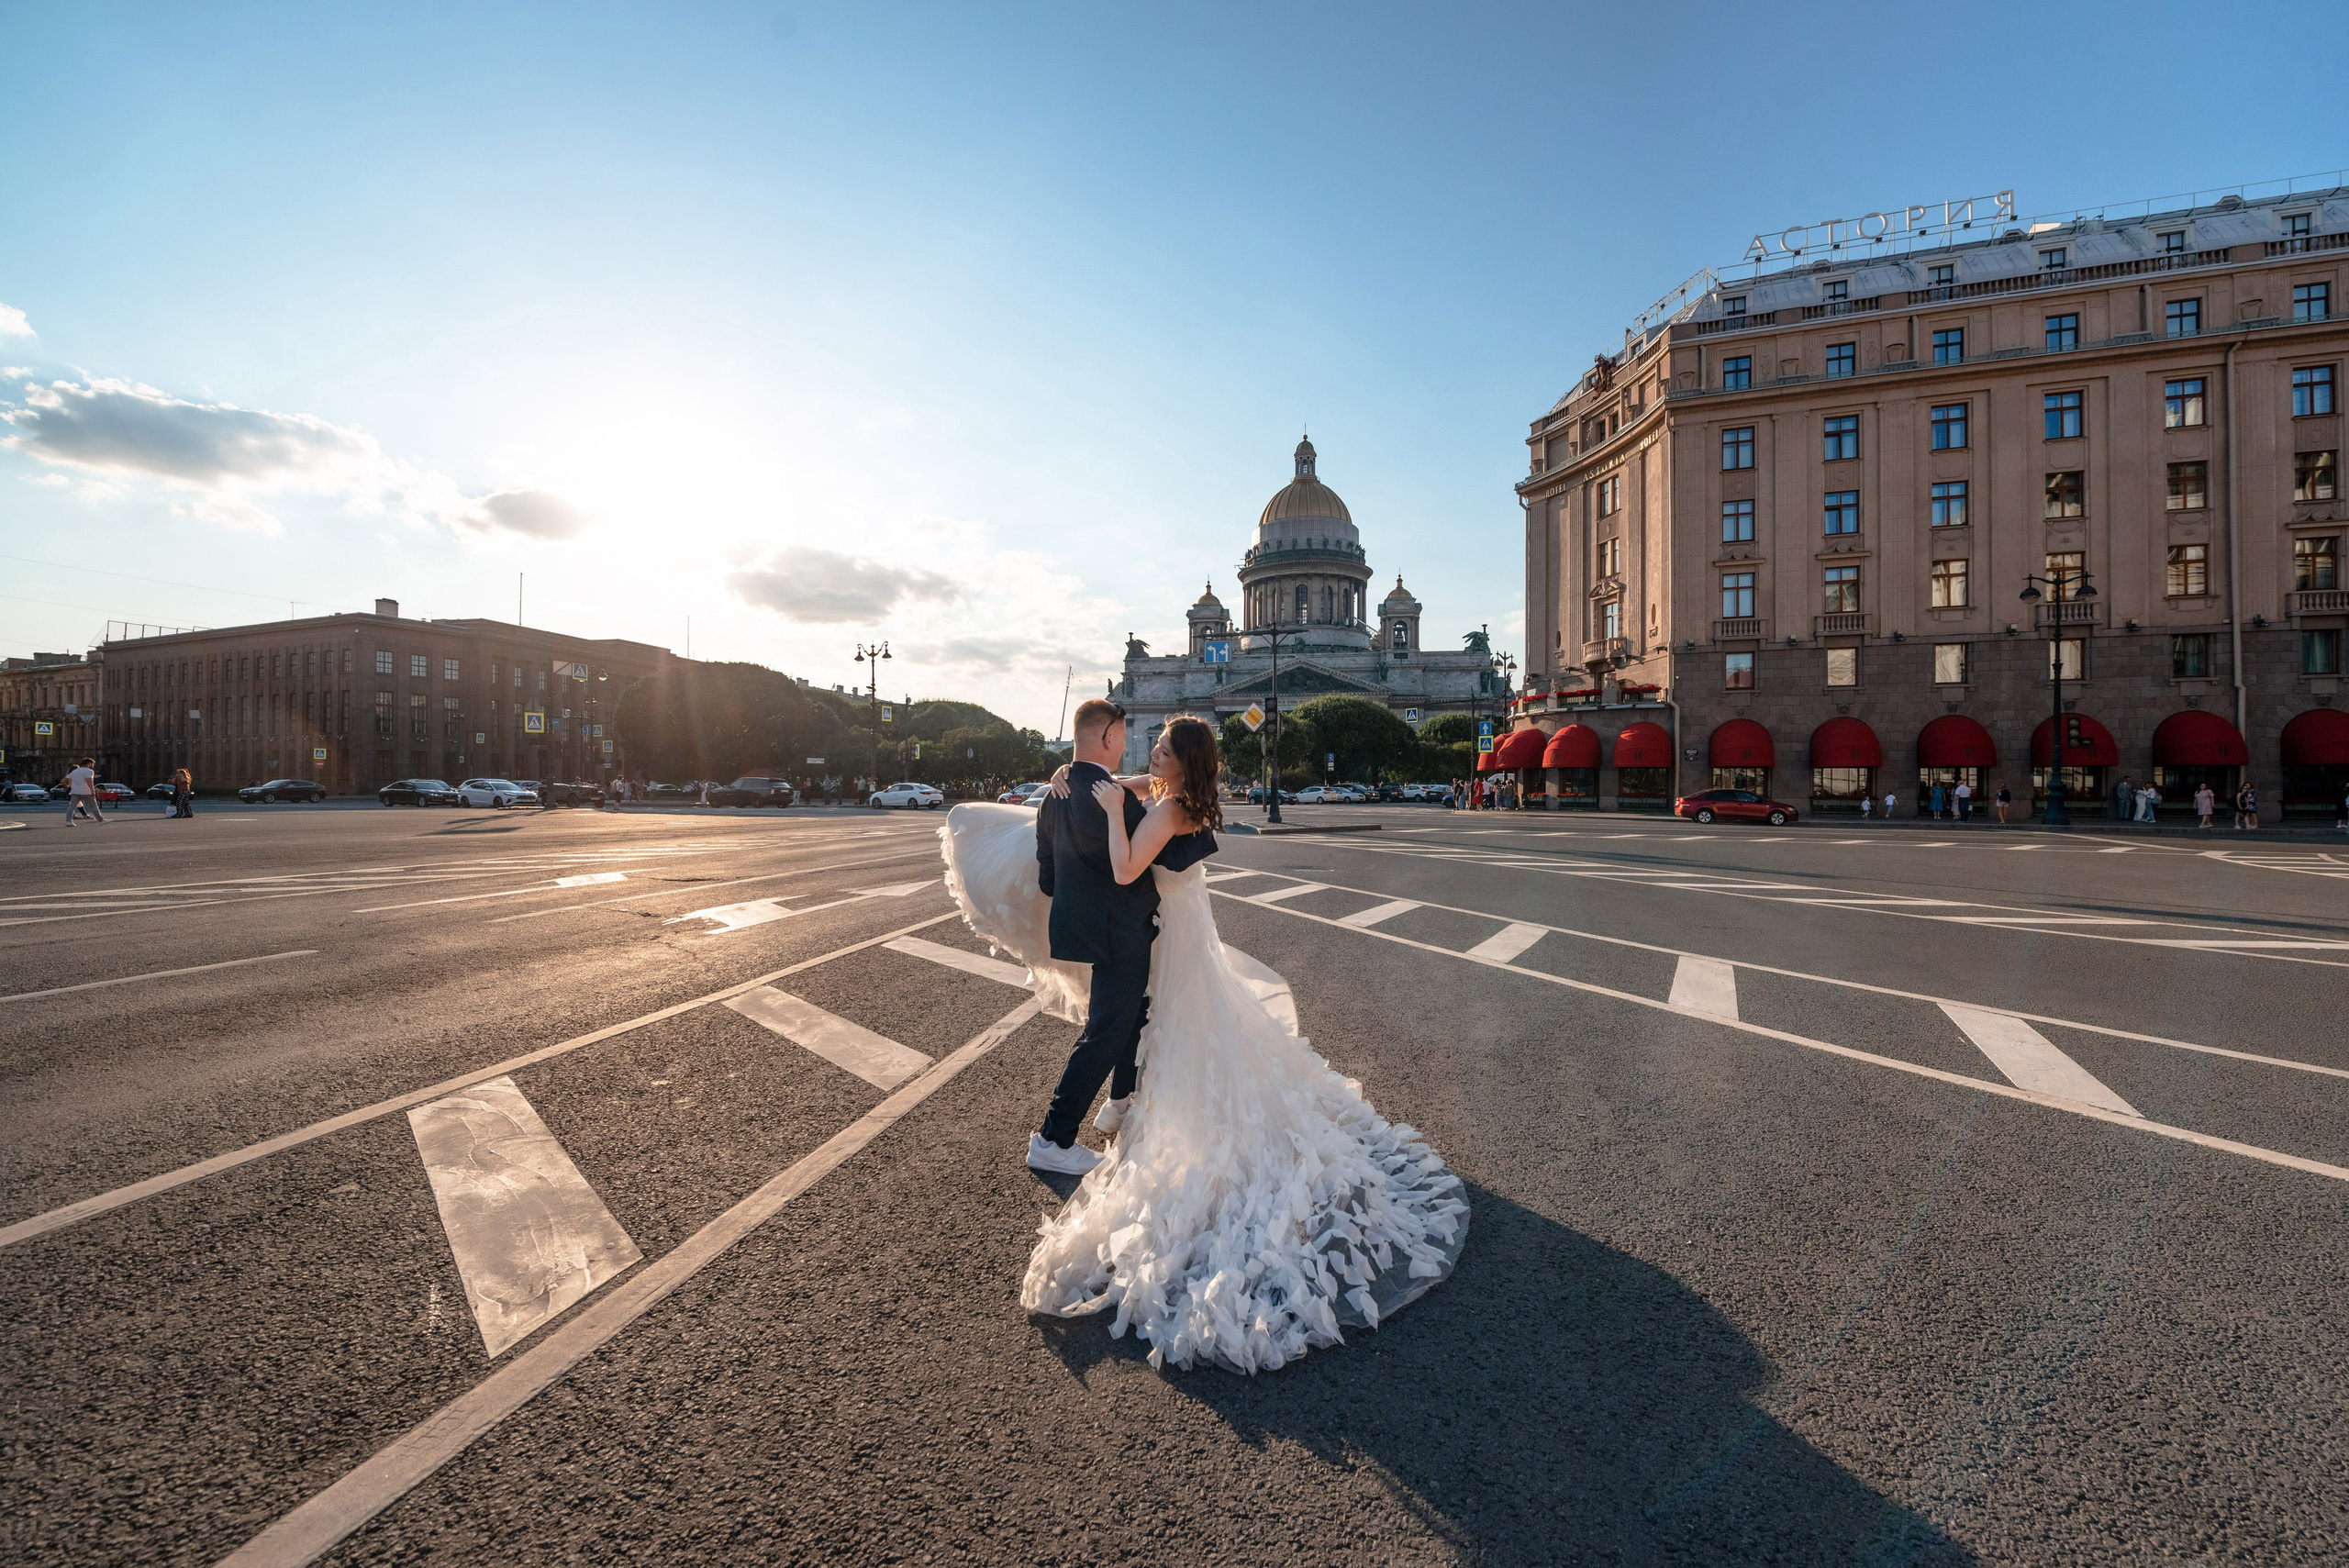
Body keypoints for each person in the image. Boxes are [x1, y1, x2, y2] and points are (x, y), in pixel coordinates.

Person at [941, 709, 1465, 1373]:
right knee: (1150, 1025)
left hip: (1168, 934)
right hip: (1178, 933)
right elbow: (1128, 783)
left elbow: (1126, 869)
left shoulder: (1168, 809)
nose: (1151, 751)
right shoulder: (1173, 793)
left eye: (1162, 746)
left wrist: (1111, 811)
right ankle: (1121, 1104)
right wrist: (1075, 775)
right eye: (1152, 743)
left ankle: (1101, 1117)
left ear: (1183, 759)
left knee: (1157, 1028)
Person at [63, 757, 105, 825]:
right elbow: (89, 780)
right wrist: (92, 790)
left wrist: (68, 787)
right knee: (93, 806)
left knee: (72, 807)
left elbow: (63, 781)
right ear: (89, 764)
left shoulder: (75, 771)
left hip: (75, 792)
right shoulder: (89, 771)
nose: (92, 766)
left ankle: (68, 821)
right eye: (92, 764)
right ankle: (101, 820)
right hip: (86, 792)